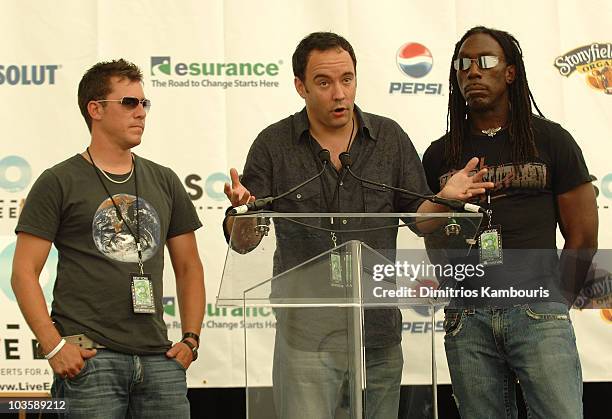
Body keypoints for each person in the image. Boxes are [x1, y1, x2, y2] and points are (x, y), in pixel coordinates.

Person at [223, 32, 492, 419]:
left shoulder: (389, 138)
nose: (339, 93)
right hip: (306, 335)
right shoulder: (273, 144)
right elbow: (245, 241)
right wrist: (243, 215)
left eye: (347, 79)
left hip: (377, 332)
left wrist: (446, 199)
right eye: (324, 82)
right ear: (300, 86)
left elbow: (420, 220)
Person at [11, 59, 205, 418]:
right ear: (95, 109)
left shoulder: (165, 179)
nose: (141, 112)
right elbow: (23, 271)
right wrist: (53, 347)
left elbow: (190, 267)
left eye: (144, 103)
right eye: (129, 103)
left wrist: (191, 341)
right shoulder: (58, 181)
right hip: (90, 360)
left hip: (160, 360)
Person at [422, 26, 598, 418]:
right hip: (467, 319)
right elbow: (426, 228)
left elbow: (583, 234)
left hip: (536, 313)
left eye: (485, 62)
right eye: (463, 65)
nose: (472, 72)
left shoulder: (551, 141)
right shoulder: (439, 154)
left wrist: (553, 302)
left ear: (510, 73)